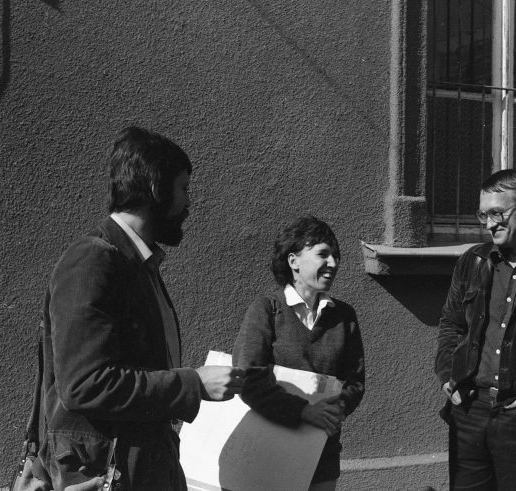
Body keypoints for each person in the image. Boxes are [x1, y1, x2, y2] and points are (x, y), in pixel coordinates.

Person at [34, 126, 247, 490]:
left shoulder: (136, 265)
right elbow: (83, 384)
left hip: (142, 469)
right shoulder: (92, 261)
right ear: (155, 188)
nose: (188, 203)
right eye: (183, 188)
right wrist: (194, 383)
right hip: (108, 476)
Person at [434, 169, 516, 490]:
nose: (489, 224)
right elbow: (451, 323)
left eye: (497, 213)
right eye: (483, 215)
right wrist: (449, 377)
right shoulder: (474, 261)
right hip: (470, 408)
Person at [233, 216, 365, 491]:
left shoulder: (344, 316)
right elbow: (248, 378)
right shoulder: (267, 309)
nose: (333, 263)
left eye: (336, 256)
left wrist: (334, 410)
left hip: (322, 451)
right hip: (272, 451)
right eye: (323, 254)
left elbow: (354, 381)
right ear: (293, 261)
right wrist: (304, 411)